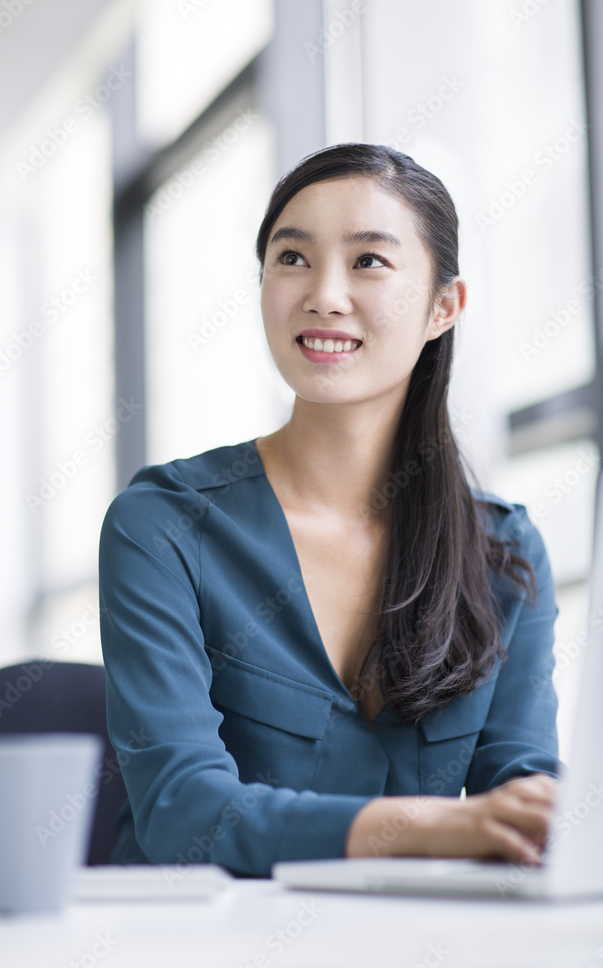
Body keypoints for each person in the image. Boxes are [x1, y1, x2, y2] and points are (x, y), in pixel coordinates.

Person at [99, 142, 560, 876]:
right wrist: (433, 826)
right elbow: (180, 810)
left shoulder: (502, 549)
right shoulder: (162, 524)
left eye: (368, 261)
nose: (323, 294)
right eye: (292, 259)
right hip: (187, 962)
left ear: (444, 306)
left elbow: (524, 793)